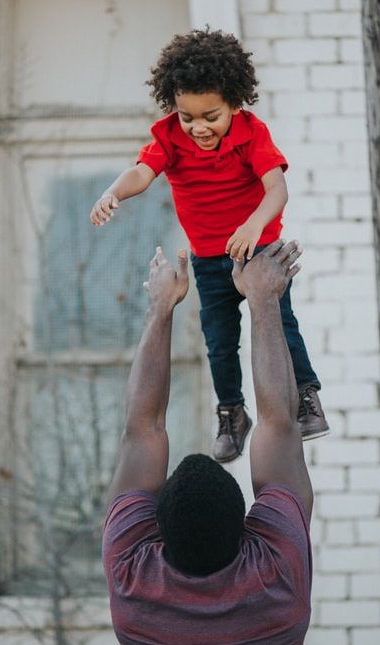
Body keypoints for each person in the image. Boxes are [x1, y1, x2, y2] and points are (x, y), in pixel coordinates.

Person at [90, 28, 328, 463]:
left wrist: (254, 226)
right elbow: (142, 173)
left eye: (211, 116)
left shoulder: (253, 135)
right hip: (208, 257)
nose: (198, 127)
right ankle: (231, 413)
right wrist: (113, 193)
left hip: (258, 250)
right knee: (219, 339)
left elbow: (277, 189)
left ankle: (306, 396)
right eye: (188, 117)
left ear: (235, 103)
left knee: (280, 322)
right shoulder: (169, 137)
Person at [102, 240, 314, 645]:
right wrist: (265, 302)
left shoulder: (132, 584)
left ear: (158, 534)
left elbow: (141, 431)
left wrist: (160, 309)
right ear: (247, 528)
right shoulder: (277, 578)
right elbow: (279, 427)